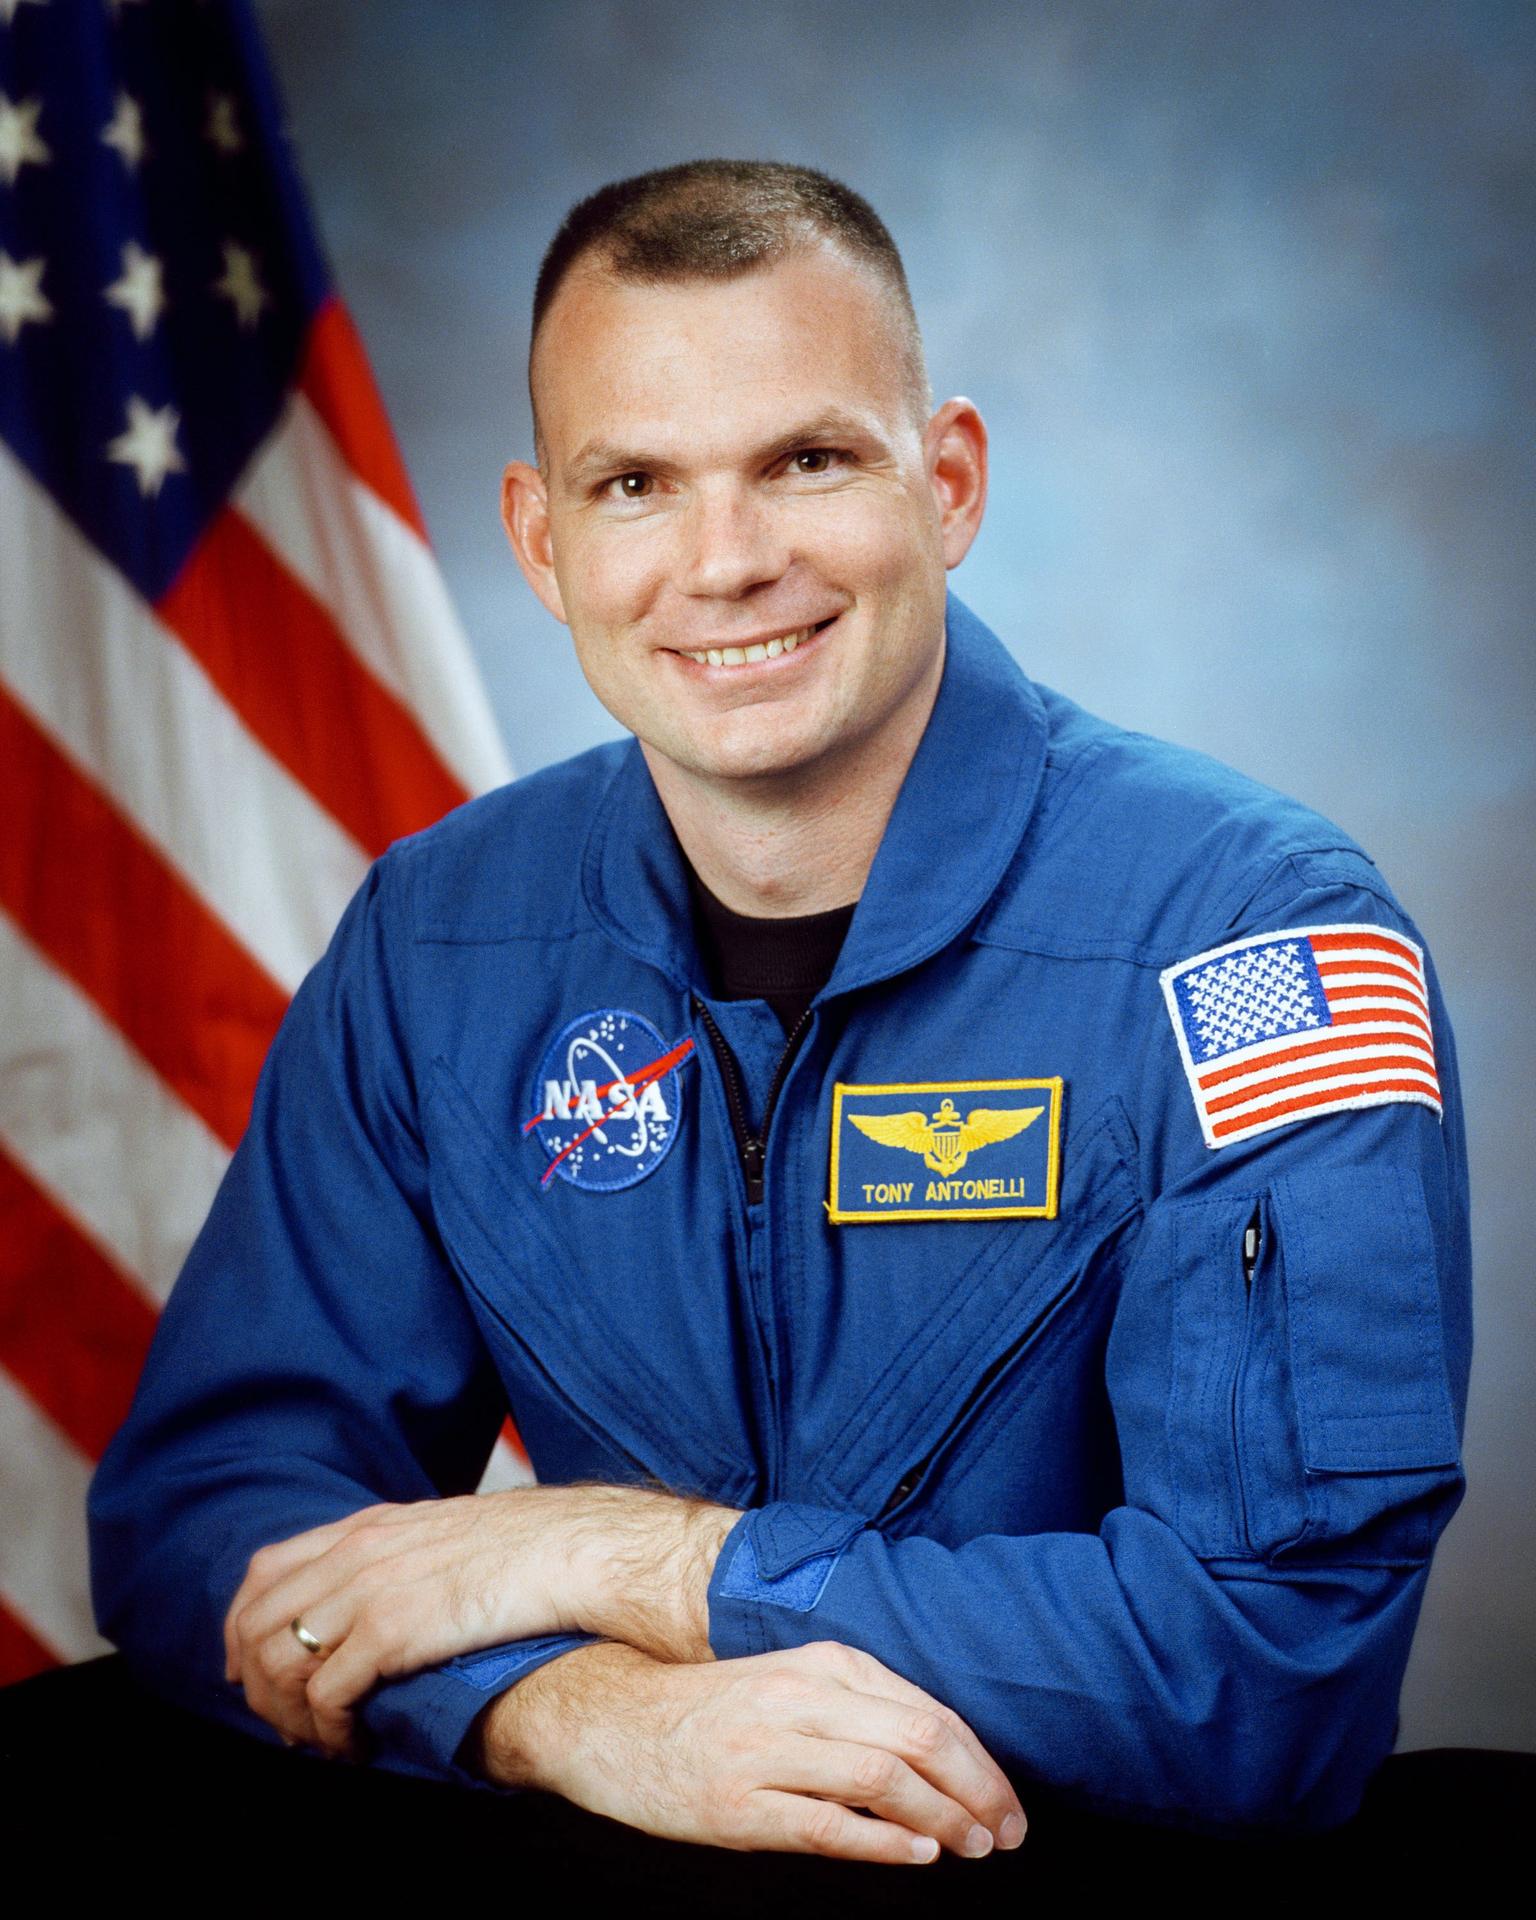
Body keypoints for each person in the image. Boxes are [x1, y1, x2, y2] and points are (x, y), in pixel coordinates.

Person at [87, 159, 1471, 1863]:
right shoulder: (439, 943)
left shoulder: (1252, 941)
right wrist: (568, 1716)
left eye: (805, 461)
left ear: (947, 484)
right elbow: (202, 1528)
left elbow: (1279, 1674)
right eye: (637, 483)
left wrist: (646, 1562)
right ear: (540, 537)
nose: (725, 563)